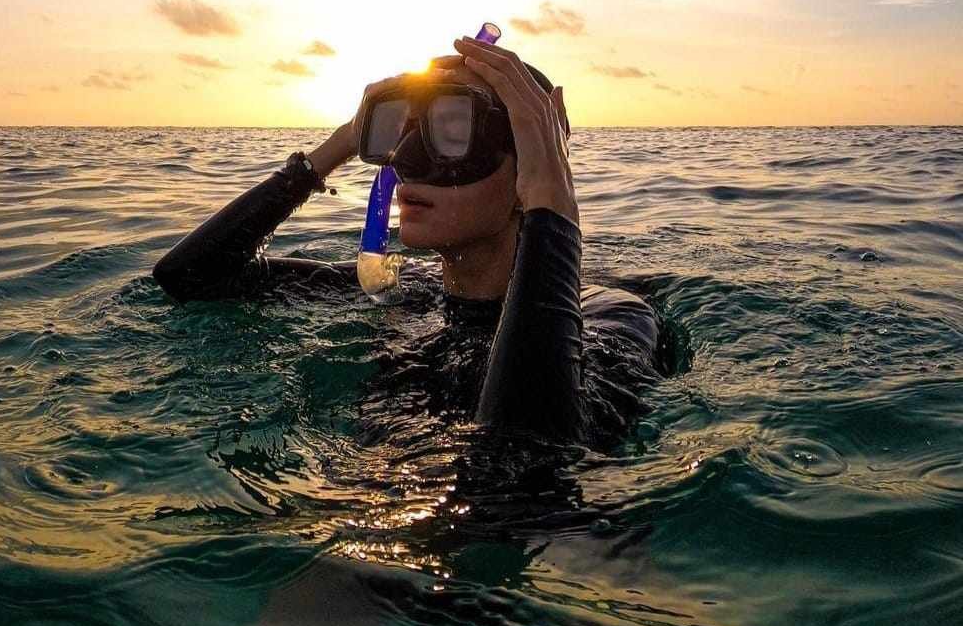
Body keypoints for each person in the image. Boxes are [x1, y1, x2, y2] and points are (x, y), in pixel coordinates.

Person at [153, 36, 662, 445]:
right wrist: (339, 146)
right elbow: (191, 281)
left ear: (528, 172)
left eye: (453, 129)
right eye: (397, 132)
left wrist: (552, 205)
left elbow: (528, 459)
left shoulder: (612, 316)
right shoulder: (401, 295)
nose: (403, 159)